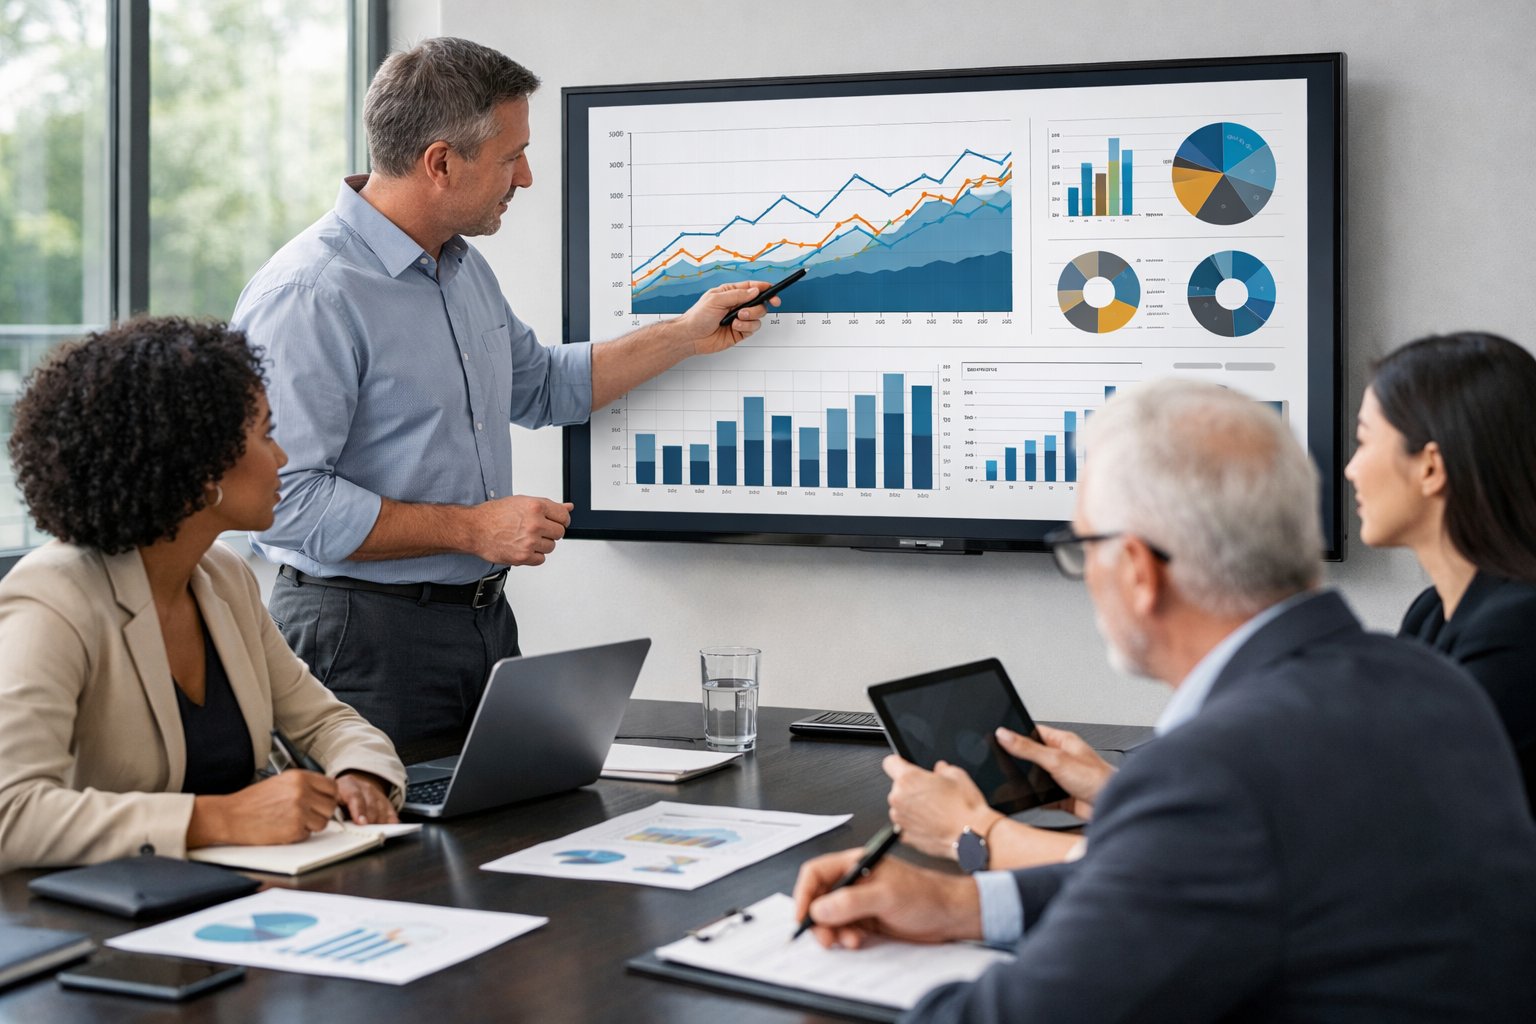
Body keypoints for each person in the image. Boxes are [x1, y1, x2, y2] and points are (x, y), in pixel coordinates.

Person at [793, 379, 1536, 1022]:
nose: (1084, 574)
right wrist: (961, 907)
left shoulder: (1217, 771)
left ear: (1141, 573)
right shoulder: (1426, 680)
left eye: (1083, 549)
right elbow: (1183, 882)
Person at [231, 37, 779, 749]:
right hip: (360, 641)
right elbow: (284, 504)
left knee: (507, 838)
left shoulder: (460, 270)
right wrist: (471, 529)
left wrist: (684, 334)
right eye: (510, 155)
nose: (524, 176)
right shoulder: (309, 294)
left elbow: (546, 386)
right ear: (440, 162)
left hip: (482, 625)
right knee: (381, 858)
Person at [0, 318, 405, 873]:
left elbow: (328, 722)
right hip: (101, 927)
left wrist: (360, 775)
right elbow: (10, 813)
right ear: (199, 465)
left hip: (229, 903)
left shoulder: (222, 576)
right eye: (265, 434)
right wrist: (215, 819)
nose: (282, 457)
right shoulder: (54, 596)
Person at [1346, 332, 1536, 815]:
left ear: (1431, 466)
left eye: (1364, 441)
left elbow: (1395, 805)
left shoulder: (1517, 633)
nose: (1350, 469)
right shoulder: (1431, 613)